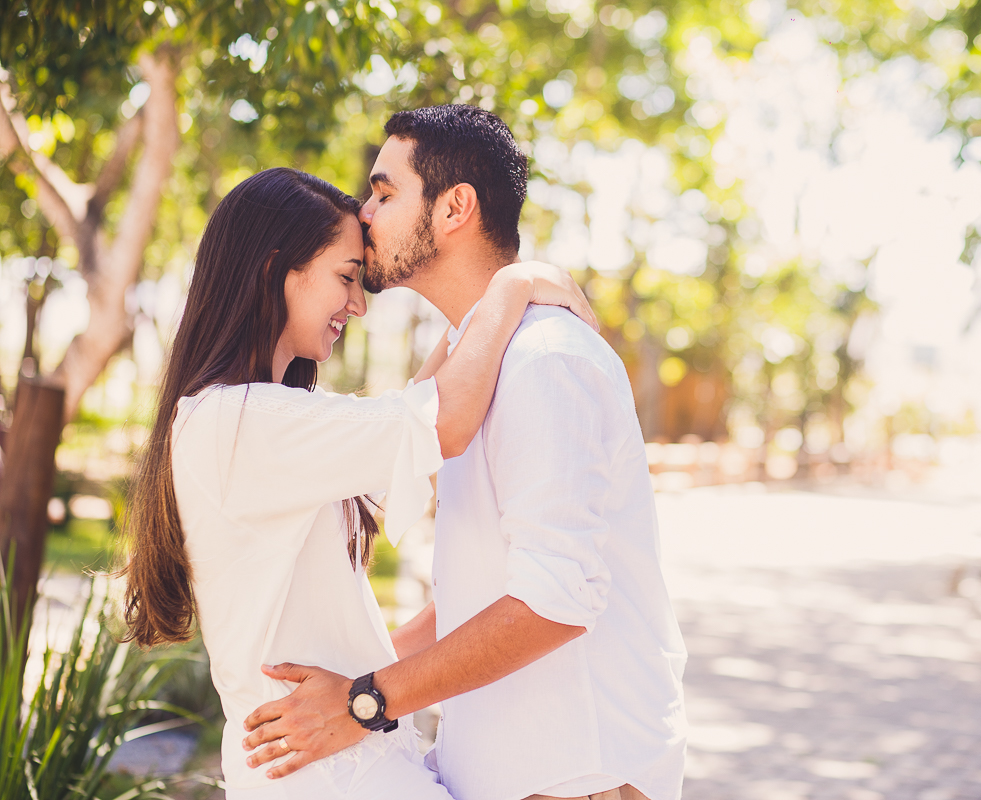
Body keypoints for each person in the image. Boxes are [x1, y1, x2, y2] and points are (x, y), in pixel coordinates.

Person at [241, 106, 688, 800]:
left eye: (385, 193)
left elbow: (556, 601)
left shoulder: (543, 361)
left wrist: (366, 700)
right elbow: (472, 601)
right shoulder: (485, 370)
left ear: (455, 208)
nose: (365, 215)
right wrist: (341, 690)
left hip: (573, 783)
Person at [119, 166, 597, 799]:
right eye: (346, 277)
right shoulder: (238, 422)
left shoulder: (255, 421)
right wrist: (514, 288)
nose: (358, 303)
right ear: (273, 268)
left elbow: (419, 411)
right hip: (327, 775)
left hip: (334, 764)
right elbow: (443, 420)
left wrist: (370, 684)